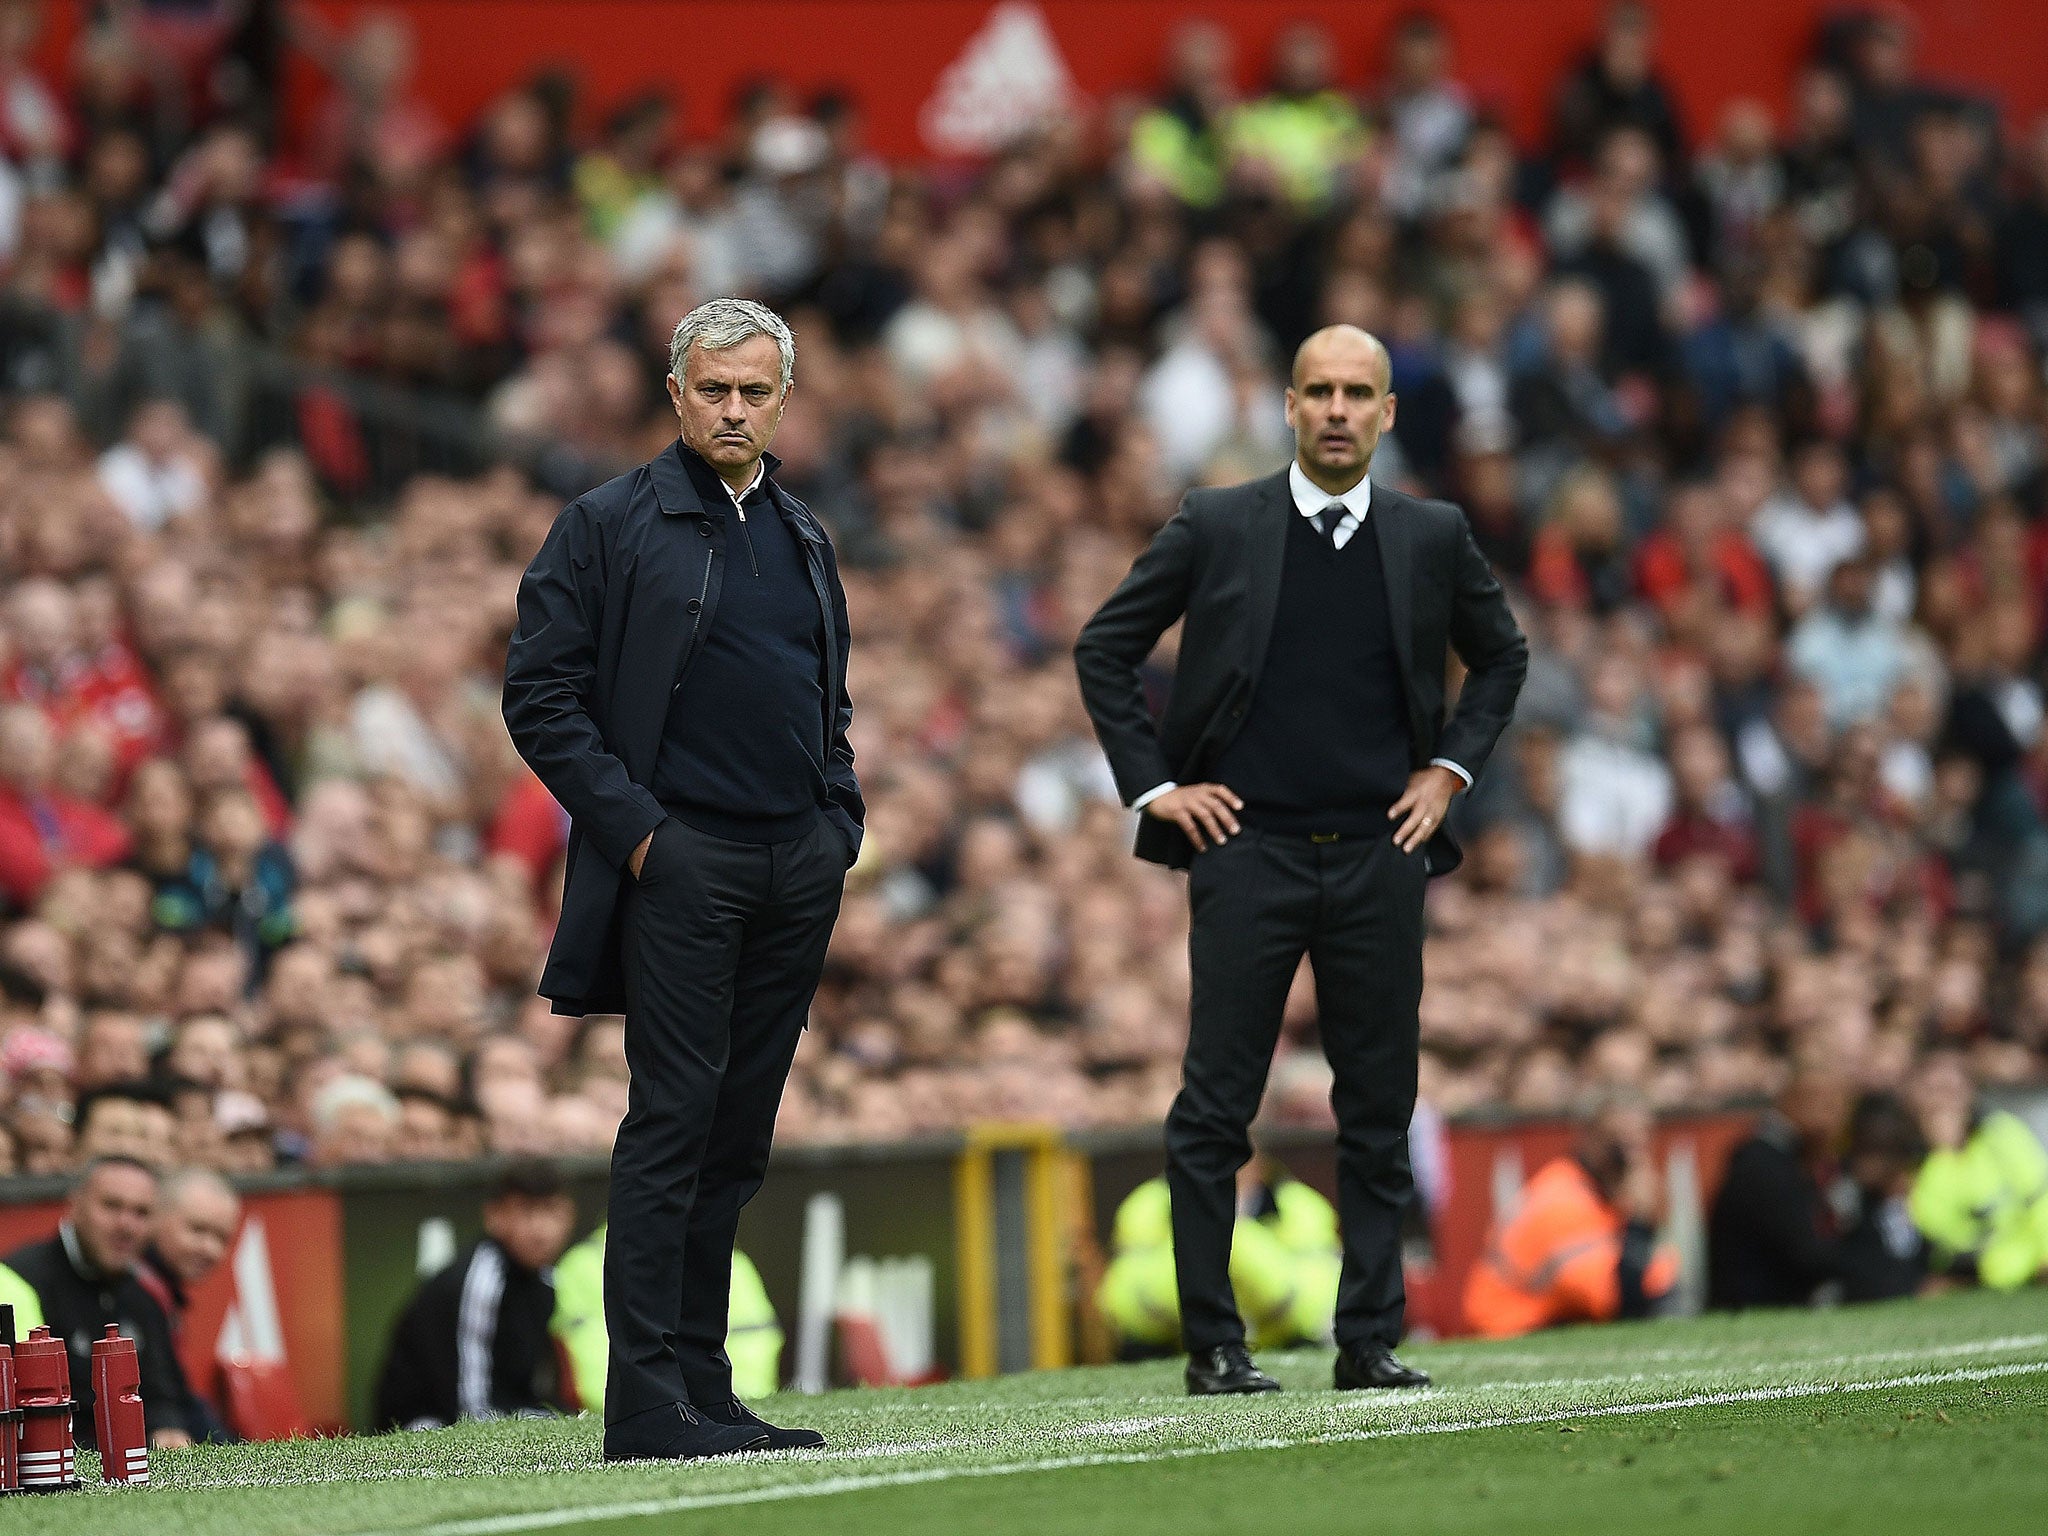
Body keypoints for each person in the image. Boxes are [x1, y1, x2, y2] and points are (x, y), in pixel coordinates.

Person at [1075, 324, 1528, 1395]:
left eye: (1354, 393)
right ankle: (1211, 1345)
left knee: (1376, 1107)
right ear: (1286, 408)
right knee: (1214, 1108)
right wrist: (1155, 790)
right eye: (1316, 390)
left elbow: (1502, 655)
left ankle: (1367, 1340)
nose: (1334, 409)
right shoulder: (1218, 521)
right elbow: (1104, 646)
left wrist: (1449, 773)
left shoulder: (1431, 534)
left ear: (1385, 413)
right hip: (1246, 851)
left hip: (1382, 850)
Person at [503, 297, 858, 1460]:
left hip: (790, 861)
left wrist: (836, 820)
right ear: (675, 393)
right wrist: (645, 836)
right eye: (714, 388)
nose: (734, 408)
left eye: (755, 390)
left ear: (783, 399)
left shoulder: (802, 533)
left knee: (738, 1135)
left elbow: (828, 702)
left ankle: (707, 1390)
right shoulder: (606, 524)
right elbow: (539, 699)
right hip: (682, 862)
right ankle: (647, 1403)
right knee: (672, 1121)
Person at [372, 1158, 576, 1431]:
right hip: (422, 1421)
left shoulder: (544, 1281)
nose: (541, 1230)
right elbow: (471, 1410)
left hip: (495, 1411)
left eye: (551, 1211)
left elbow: (528, 1390)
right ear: (494, 1216)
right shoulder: (480, 1282)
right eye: (526, 1212)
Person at [4, 1156, 194, 1447]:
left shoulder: (146, 1293)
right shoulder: (20, 1282)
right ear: (75, 1206)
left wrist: (167, 1427)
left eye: (141, 1213)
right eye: (112, 1206)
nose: (126, 1225)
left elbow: (165, 1394)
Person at [1463, 1101, 1678, 1337]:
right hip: (1509, 1324)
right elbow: (1609, 1301)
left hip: (1552, 1317)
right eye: (1621, 1149)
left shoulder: (1598, 1194)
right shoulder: (1563, 1201)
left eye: (1641, 1146)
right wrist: (1639, 1226)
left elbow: (1655, 1277)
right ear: (1590, 1138)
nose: (1636, 1164)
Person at [1097, 1153, 1341, 1357]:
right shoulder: (1148, 1204)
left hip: (1282, 1344)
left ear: (1258, 1165)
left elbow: (1319, 1294)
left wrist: (1237, 1238)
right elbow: (1126, 1295)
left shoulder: (1300, 1205)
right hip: (1172, 1346)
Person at [551, 1225, 784, 1412]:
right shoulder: (584, 1265)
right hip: (618, 1406)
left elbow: (754, 1343)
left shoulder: (734, 1265)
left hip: (713, 1402)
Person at [1707, 1074, 1849, 1309]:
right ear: (1795, 1102)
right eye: (1829, 1105)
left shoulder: (1787, 1160)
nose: (1837, 1118)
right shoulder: (1764, 1166)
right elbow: (1806, 1255)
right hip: (1752, 1307)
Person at [1908, 1054, 2048, 1290]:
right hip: (1986, 1271)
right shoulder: (1918, 1168)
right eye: (1933, 1090)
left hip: (2033, 1250)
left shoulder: (2000, 1133)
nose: (1942, 1101)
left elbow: (2040, 1196)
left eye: (1950, 1089)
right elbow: (1942, 1235)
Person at [135, 1167, 243, 1441]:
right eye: (197, 1229)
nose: (209, 1248)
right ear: (156, 1217)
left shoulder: (161, 1289)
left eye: (221, 1238)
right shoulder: (135, 1288)